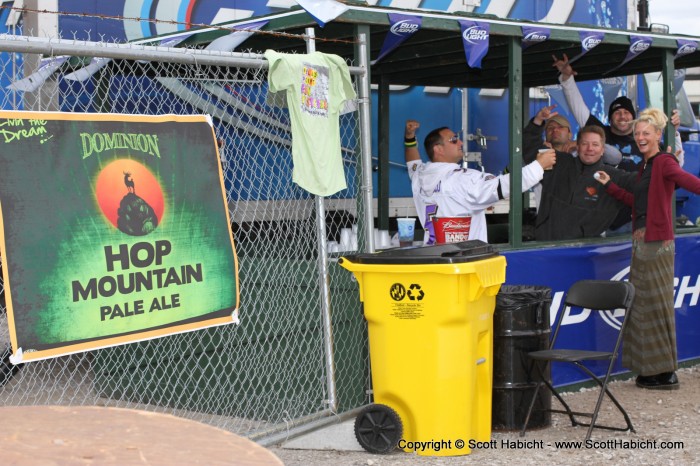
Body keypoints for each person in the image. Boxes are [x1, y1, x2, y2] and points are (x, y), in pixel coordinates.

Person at [594, 108, 700, 390]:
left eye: (645, 133)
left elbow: (689, 181)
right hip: (642, 243)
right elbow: (635, 200)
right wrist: (610, 185)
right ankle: (650, 370)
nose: (640, 137)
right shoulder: (645, 166)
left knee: (656, 306)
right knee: (642, 305)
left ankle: (665, 372)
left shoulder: (664, 162)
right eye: (637, 133)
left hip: (656, 244)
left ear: (657, 136)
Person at [552, 53, 684, 234]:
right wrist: (567, 79)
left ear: (633, 116)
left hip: (638, 216)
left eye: (626, 112)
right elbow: (579, 108)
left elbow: (675, 164)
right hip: (605, 216)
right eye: (617, 113)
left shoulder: (645, 139)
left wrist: (675, 132)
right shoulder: (600, 133)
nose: (622, 116)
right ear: (610, 117)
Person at [404, 120, 556, 243]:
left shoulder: (420, 175)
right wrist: (539, 166)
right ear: (438, 149)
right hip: (464, 261)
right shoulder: (462, 178)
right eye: (453, 140)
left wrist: (409, 137)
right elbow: (503, 186)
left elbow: (412, 162)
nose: (461, 143)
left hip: (433, 257)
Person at [525, 124, 632, 240]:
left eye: (595, 144)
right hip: (547, 246)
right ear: (577, 147)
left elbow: (645, 184)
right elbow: (529, 146)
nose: (589, 148)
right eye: (584, 144)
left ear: (602, 150)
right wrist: (537, 122)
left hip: (586, 251)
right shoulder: (557, 162)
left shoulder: (614, 176)